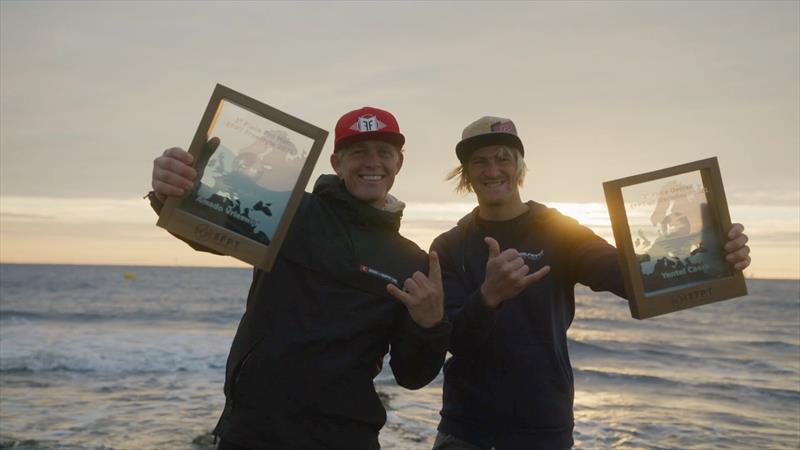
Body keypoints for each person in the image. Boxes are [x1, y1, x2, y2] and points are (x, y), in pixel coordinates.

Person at [430, 116, 752, 450]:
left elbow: (628, 276)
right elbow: (454, 339)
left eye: (503, 158)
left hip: (542, 425)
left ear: (520, 167)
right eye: (479, 162)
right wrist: (488, 297)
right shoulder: (449, 246)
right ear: (466, 175)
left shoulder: (558, 230)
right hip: (465, 427)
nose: (492, 170)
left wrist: (713, 257)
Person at [149, 106, 451, 450]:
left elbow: (413, 375)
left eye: (384, 152)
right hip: (253, 432)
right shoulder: (287, 210)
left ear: (399, 162)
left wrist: (430, 325)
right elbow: (207, 229)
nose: (372, 162)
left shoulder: (411, 260)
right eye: (358, 152)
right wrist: (171, 192)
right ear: (336, 162)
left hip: (347, 439)